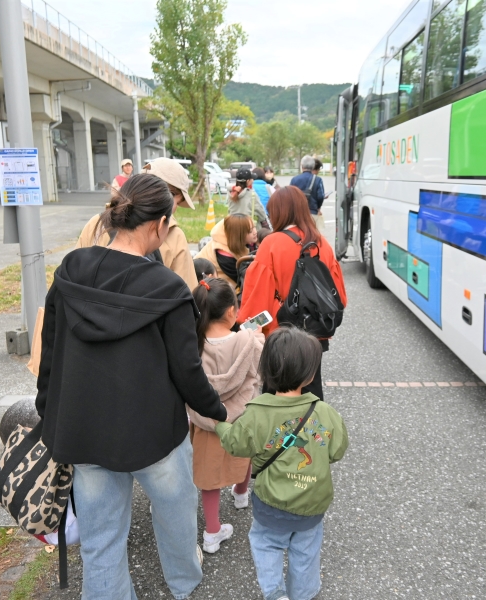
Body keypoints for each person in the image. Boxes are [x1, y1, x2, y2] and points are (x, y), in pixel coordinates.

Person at [35, 173, 228, 600]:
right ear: (159, 225)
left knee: (101, 539)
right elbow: (187, 371)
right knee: (176, 516)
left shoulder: (71, 272)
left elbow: (52, 352)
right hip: (153, 434)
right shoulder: (168, 289)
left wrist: (49, 413)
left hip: (83, 431)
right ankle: (184, 584)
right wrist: (217, 411)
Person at [215, 326, 349, 600]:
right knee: (306, 550)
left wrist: (220, 426)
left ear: (266, 370)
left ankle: (275, 593)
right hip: (312, 503)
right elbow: (337, 451)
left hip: (271, 503)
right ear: (310, 375)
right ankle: (303, 593)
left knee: (266, 544)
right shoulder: (325, 413)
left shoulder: (257, 413)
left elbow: (235, 443)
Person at [237, 186, 347, 400]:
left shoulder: (271, 244)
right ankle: (313, 432)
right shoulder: (322, 244)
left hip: (281, 338)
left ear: (279, 212)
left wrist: (243, 328)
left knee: (276, 397)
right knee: (310, 395)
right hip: (315, 336)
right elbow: (339, 298)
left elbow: (259, 306)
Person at [189, 277, 265, 554]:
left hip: (207, 421)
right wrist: (257, 338)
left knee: (208, 475)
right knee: (242, 456)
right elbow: (260, 371)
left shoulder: (192, 344)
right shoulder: (247, 340)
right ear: (232, 312)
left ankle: (212, 532)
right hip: (241, 416)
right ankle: (241, 494)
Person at [142, 158, 199, 290]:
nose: (174, 208)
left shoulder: (98, 224)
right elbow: (187, 294)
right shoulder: (174, 235)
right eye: (173, 197)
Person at [195, 215, 258, 289]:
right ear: (238, 235)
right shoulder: (224, 254)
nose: (255, 232)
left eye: (254, 227)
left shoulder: (231, 240)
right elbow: (245, 280)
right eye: (250, 231)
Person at [289, 156, 325, 232]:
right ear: (313, 166)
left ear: (302, 166)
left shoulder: (294, 179)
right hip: (312, 212)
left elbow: (290, 196)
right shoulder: (318, 180)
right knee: (314, 234)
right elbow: (320, 196)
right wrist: (318, 208)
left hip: (298, 214)